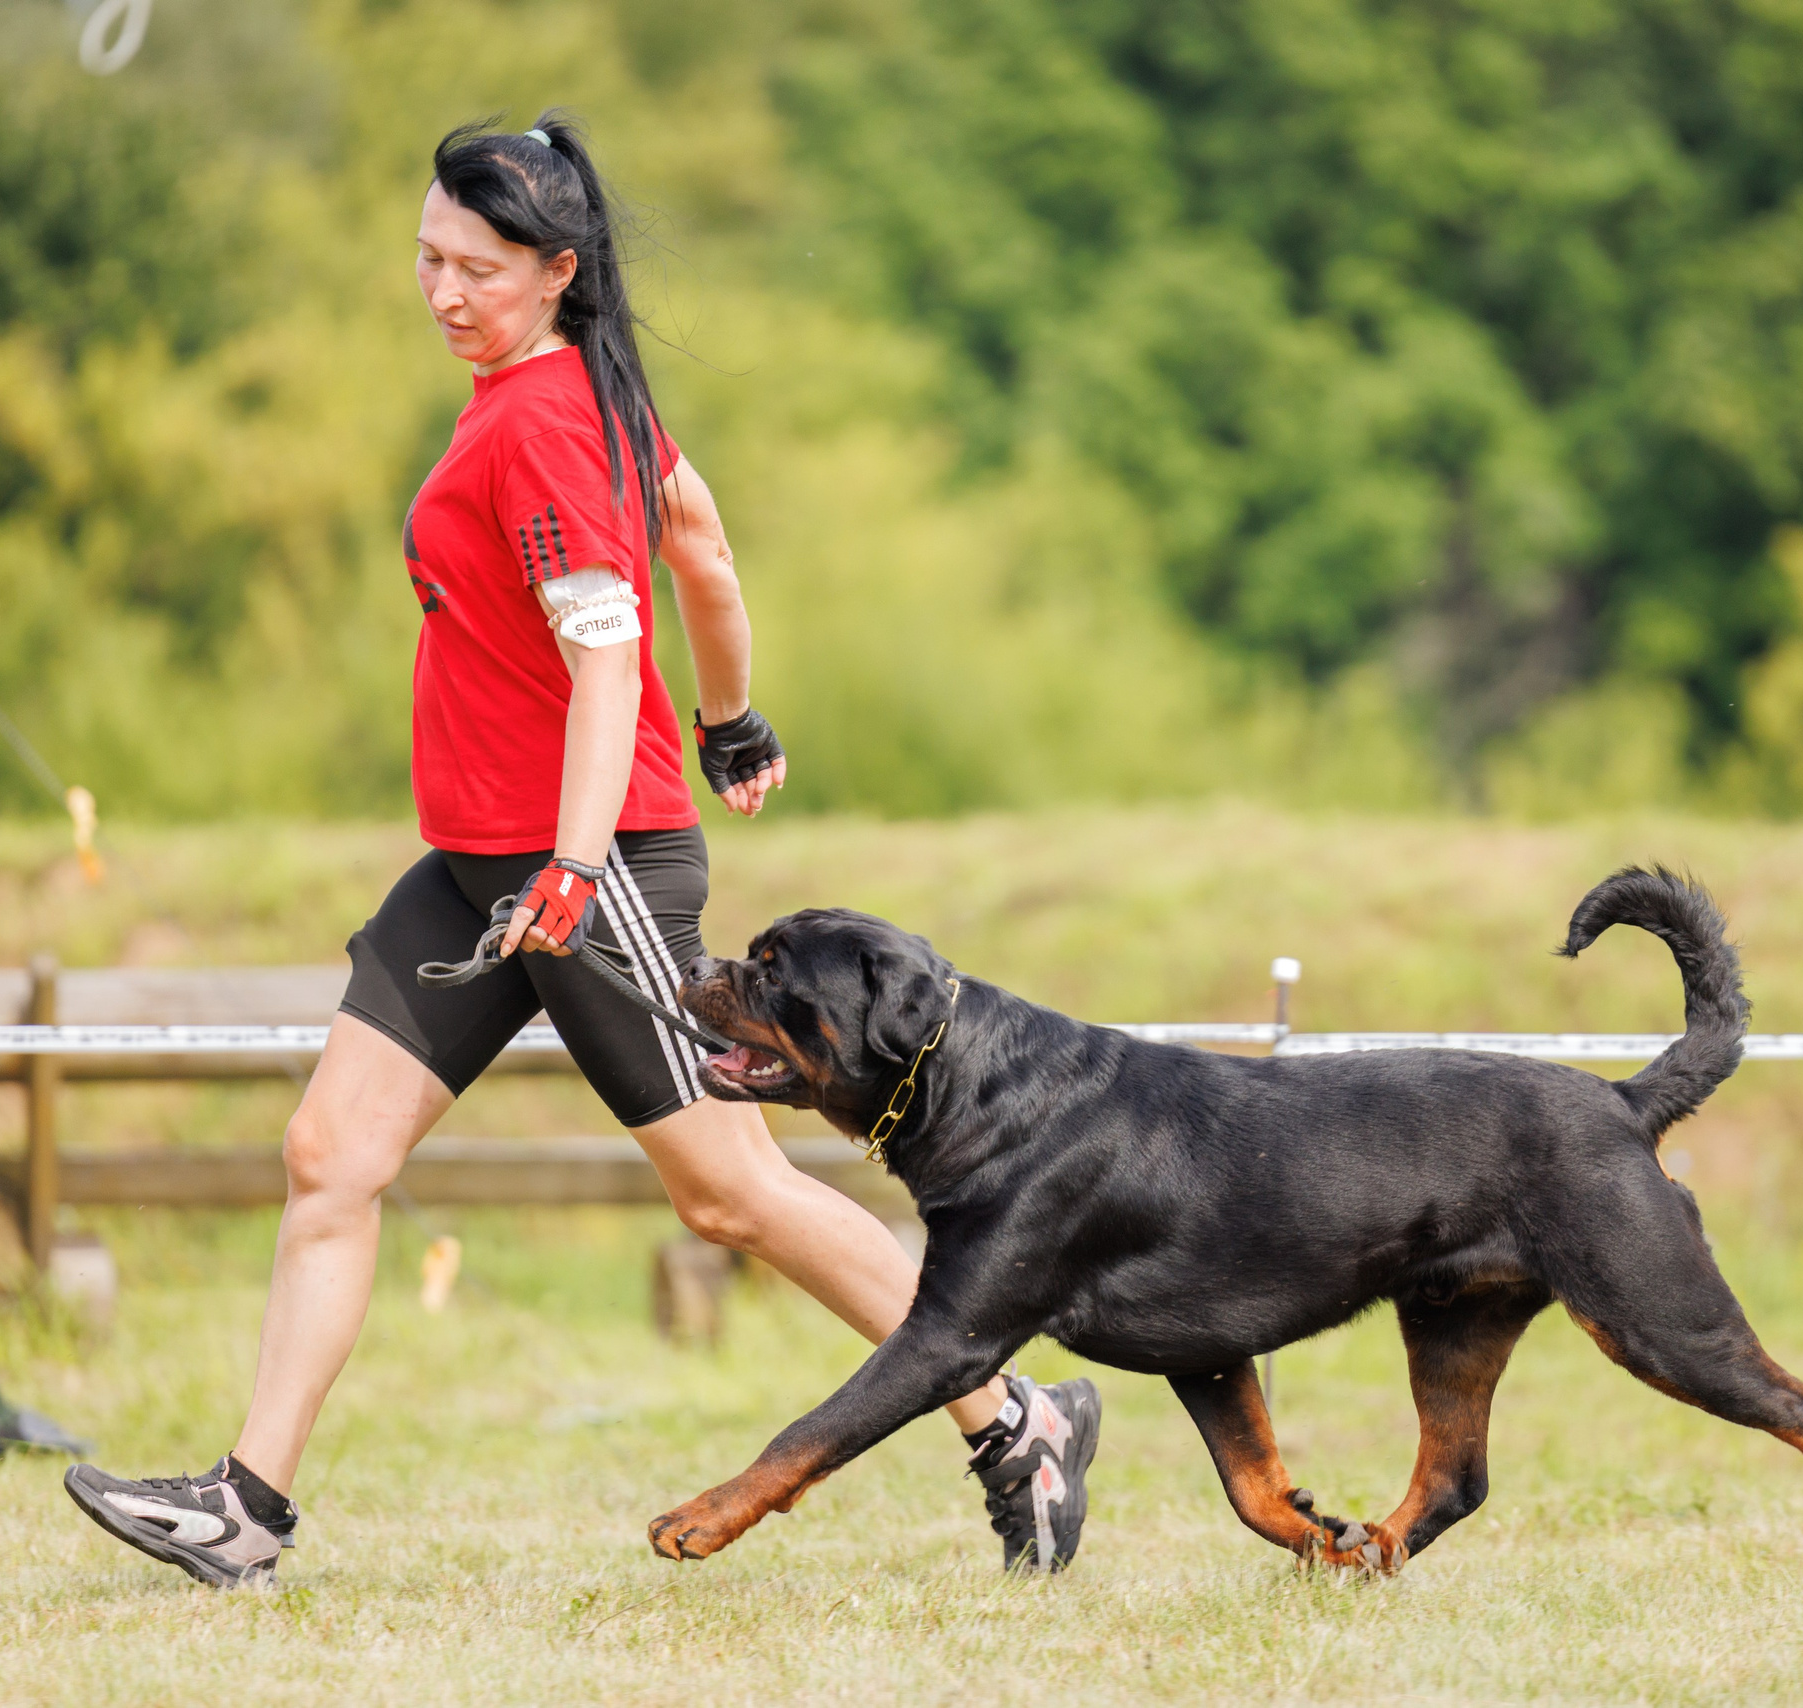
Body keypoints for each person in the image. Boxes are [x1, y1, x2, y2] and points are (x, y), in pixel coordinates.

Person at [63, 113, 1097, 1588]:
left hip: (583, 862)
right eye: (425, 258)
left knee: (729, 1192)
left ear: (557, 270)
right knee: (331, 1154)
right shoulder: (579, 397)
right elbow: (707, 545)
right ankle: (247, 1510)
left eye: (475, 268)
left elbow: (605, 665)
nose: (441, 291)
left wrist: (572, 858)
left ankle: (1019, 1423)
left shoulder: (547, 422)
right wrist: (733, 720)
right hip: (490, 860)